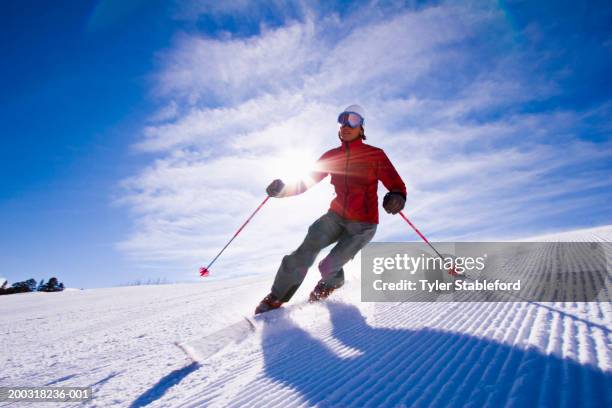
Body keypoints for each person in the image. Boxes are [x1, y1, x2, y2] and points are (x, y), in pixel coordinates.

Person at [255, 104, 407, 314]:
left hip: (363, 223)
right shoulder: (331, 156)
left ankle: (332, 282)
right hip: (336, 216)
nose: (346, 125)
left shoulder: (374, 155)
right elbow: (306, 182)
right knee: (304, 251)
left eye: (352, 120)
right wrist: (282, 190)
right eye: (342, 119)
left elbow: (396, 184)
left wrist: (397, 197)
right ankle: (277, 296)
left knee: (327, 266)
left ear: (361, 127)